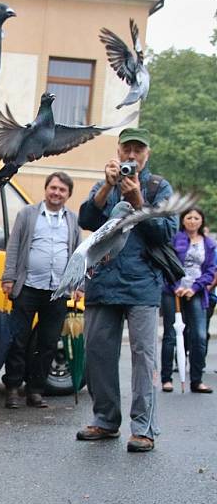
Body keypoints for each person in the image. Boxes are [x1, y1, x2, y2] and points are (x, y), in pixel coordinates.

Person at [75, 128, 176, 453]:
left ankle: (143, 428)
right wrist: (107, 186)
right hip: (103, 282)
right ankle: (105, 420)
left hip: (143, 284)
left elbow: (165, 234)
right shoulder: (105, 182)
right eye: (127, 149)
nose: (131, 156)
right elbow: (87, 219)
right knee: (98, 354)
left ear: (146, 153)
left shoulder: (159, 187)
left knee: (143, 358)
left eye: (138, 150)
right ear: (118, 151)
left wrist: (138, 201)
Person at [1, 172, 82, 409]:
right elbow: (14, 245)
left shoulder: (74, 220)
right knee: (18, 340)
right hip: (27, 287)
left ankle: (35, 390)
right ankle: (13, 389)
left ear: (68, 195)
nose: (56, 193)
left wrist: (78, 286)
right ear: (46, 189)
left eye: (62, 190)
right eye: (53, 188)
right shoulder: (27, 214)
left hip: (58, 291)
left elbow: (78, 254)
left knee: (47, 343)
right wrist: (8, 277)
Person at [160, 208, 215, 393]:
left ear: (201, 221)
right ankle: (166, 378)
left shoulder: (208, 243)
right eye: (188, 217)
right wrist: (177, 286)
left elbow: (210, 270)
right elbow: (166, 263)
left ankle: (196, 380)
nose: (192, 221)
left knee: (199, 335)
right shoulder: (175, 239)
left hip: (196, 292)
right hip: (172, 291)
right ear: (183, 221)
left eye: (196, 218)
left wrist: (194, 288)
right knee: (170, 335)